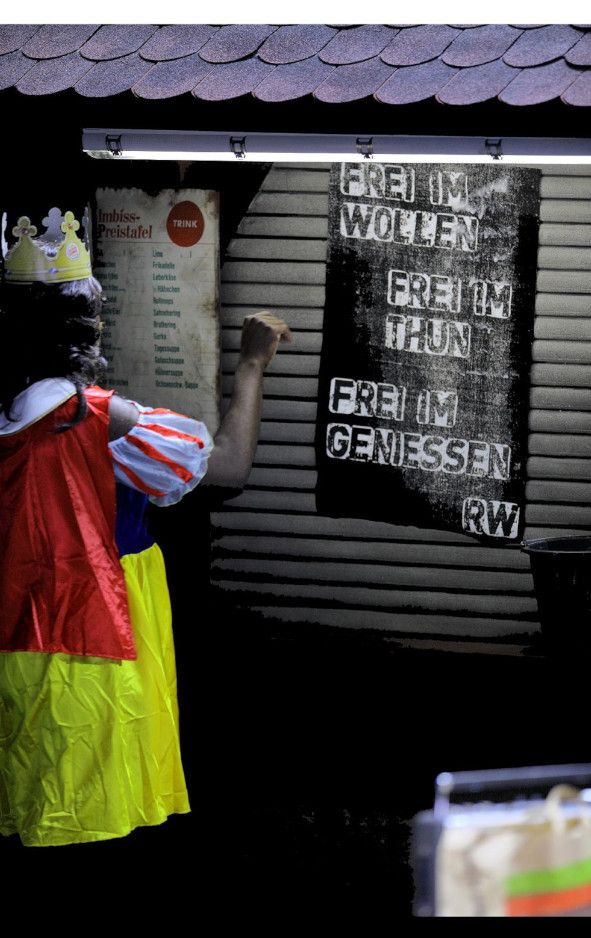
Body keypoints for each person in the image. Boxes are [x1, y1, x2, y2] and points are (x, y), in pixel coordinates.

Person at [0, 207, 291, 847]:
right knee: (85, 810)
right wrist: (250, 367)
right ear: (85, 329)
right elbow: (230, 468)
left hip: (13, 635)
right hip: (91, 637)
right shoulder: (98, 419)